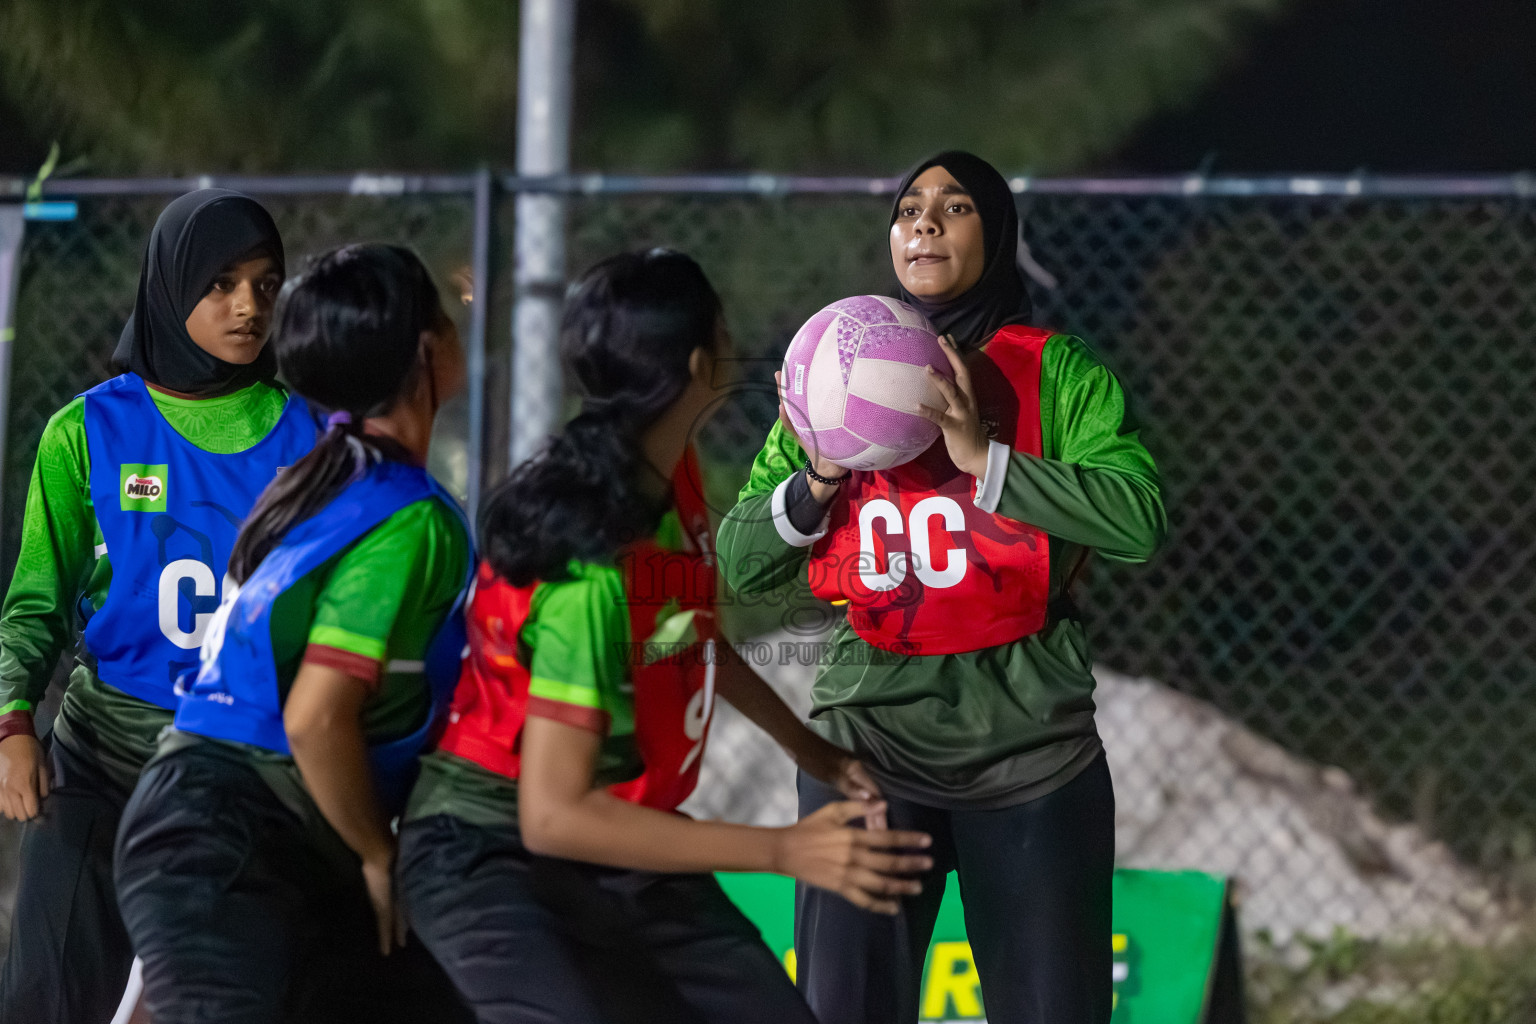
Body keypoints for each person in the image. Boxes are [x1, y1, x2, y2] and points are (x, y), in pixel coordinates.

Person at [398, 248, 933, 1024]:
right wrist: (784, 850)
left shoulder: (664, 473)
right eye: (721, 327)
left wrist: (808, 748)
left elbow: (683, 635)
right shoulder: (592, 566)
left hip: (616, 846)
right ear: (695, 361)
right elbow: (555, 813)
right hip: (495, 851)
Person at [717, 151, 1167, 1024]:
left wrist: (984, 461)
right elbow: (735, 568)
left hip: (1030, 746)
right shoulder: (828, 371)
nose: (922, 222)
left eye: (953, 207)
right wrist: (814, 480)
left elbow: (1139, 519)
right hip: (869, 748)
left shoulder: (1056, 372)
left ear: (994, 236)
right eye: (908, 208)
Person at [112, 244, 475, 1024]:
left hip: (249, 825)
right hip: (233, 832)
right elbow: (315, 716)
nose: (461, 332)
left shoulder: (314, 482)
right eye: (448, 318)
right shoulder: (407, 517)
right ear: (424, 349)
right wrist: (378, 854)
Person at [0, 189, 319, 1024]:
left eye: (265, 282)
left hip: (245, 774)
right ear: (170, 286)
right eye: (221, 283)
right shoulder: (87, 433)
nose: (249, 305)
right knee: (50, 994)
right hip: (100, 760)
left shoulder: (312, 440)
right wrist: (12, 727)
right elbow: (34, 604)